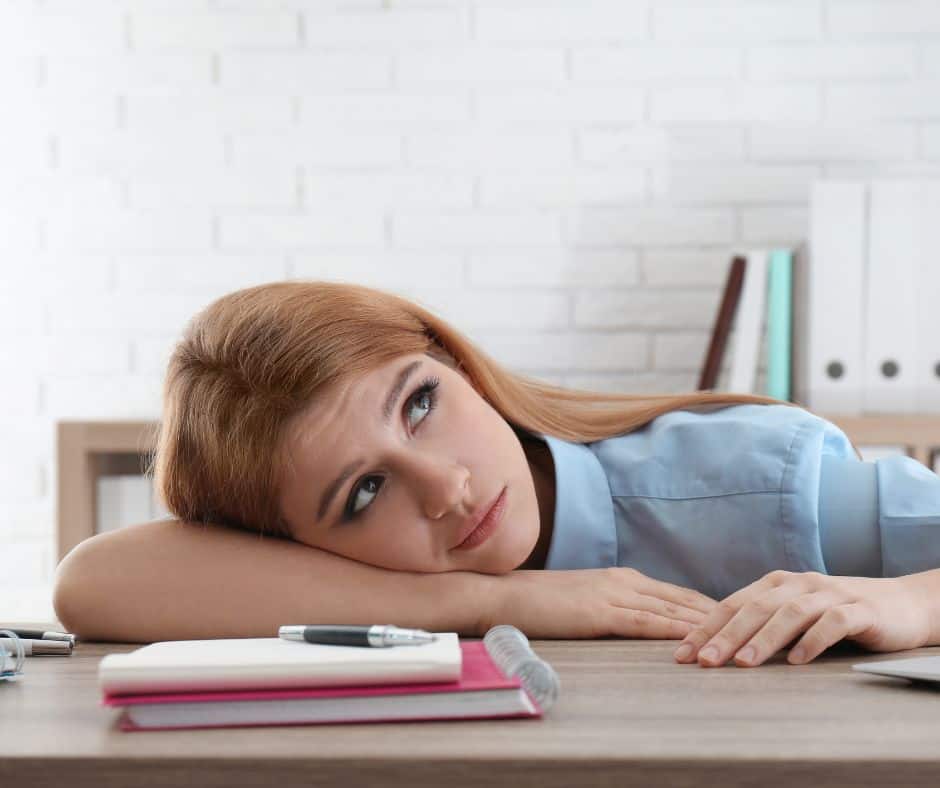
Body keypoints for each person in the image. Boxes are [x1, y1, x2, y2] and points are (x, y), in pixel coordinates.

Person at [53, 281, 940, 669]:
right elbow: (91, 583)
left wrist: (911, 603)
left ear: (460, 366)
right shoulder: (409, 583)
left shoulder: (745, 479)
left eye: (419, 404)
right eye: (364, 494)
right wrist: (496, 601)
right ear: (299, 546)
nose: (443, 490)